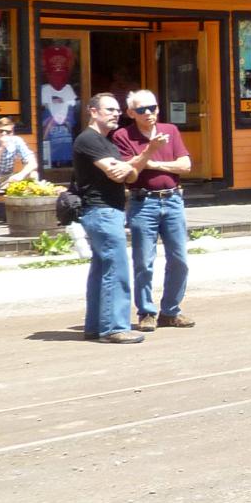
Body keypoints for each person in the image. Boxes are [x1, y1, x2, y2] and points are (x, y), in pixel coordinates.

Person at [72, 92, 158, 343]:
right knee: (117, 269)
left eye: (118, 110)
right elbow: (119, 175)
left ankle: (96, 326)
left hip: (108, 211)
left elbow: (130, 175)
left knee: (102, 269)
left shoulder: (106, 142)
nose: (116, 114)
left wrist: (130, 167)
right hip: (102, 210)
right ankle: (114, 328)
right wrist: (138, 161)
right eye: (109, 110)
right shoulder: (89, 139)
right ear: (93, 111)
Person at [112, 91, 195, 331]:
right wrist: (149, 150)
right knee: (144, 261)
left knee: (179, 259)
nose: (148, 113)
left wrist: (155, 164)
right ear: (130, 113)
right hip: (142, 201)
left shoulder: (170, 130)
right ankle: (146, 312)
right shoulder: (123, 135)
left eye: (152, 108)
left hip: (172, 200)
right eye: (141, 110)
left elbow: (186, 165)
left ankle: (170, 311)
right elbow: (130, 169)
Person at [0, 113, 38, 189]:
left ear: (12, 133)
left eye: (8, 132)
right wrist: (2, 147)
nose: (4, 133)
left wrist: (21, 175)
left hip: (8, 175)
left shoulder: (16, 141)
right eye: (1, 131)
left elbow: (33, 163)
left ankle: (29, 199)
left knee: (33, 174)